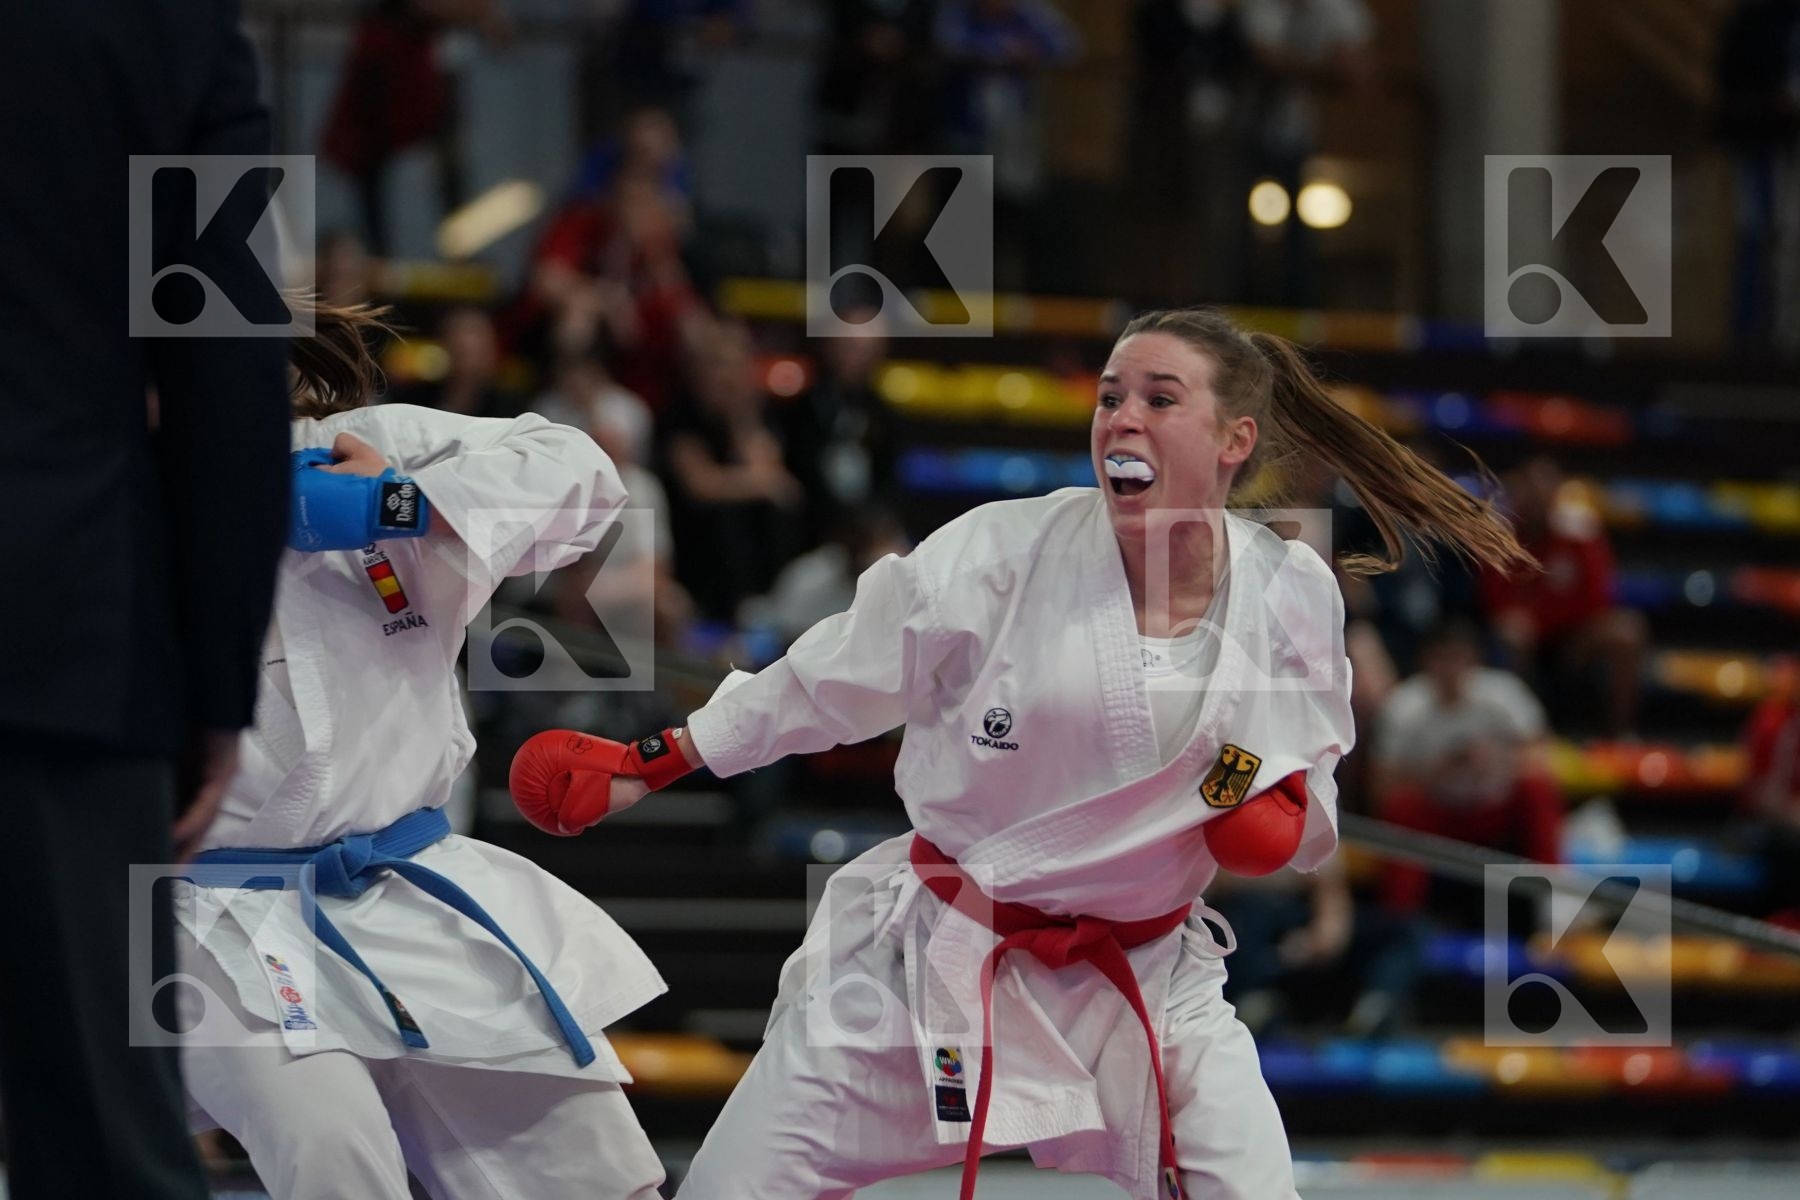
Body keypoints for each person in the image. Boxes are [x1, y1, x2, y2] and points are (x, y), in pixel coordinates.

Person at [512, 306, 1533, 1199]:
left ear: (1234, 441)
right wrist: (658, 756)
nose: (1121, 418)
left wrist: (1264, 804)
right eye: (1108, 396)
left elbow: (1292, 756)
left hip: (1144, 980)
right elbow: (836, 673)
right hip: (934, 965)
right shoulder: (1000, 553)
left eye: (1158, 398)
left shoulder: (1290, 589)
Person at [172, 303, 667, 1200]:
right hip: (205, 915)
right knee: (332, 1148)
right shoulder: (105, 503)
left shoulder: (358, 441)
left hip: (409, 892)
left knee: (595, 1169)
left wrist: (397, 500)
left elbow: (585, 475)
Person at [0, 3, 290, 1196]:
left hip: (60, 630)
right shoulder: (162, 29)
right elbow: (225, 359)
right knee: (99, 1142)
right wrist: (216, 678)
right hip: (56, 624)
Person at [1372, 619, 1562, 916]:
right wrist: (1441, 769)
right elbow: (1381, 788)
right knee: (1401, 810)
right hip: (1438, 812)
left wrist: (1498, 762)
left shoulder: (1504, 693)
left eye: (1458, 658)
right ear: (1426, 661)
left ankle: (1554, 901)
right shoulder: (1404, 706)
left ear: (1473, 659)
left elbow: (1544, 756)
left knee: (1537, 789)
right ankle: (1400, 916)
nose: (1450, 669)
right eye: (1441, 658)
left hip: (1493, 807)